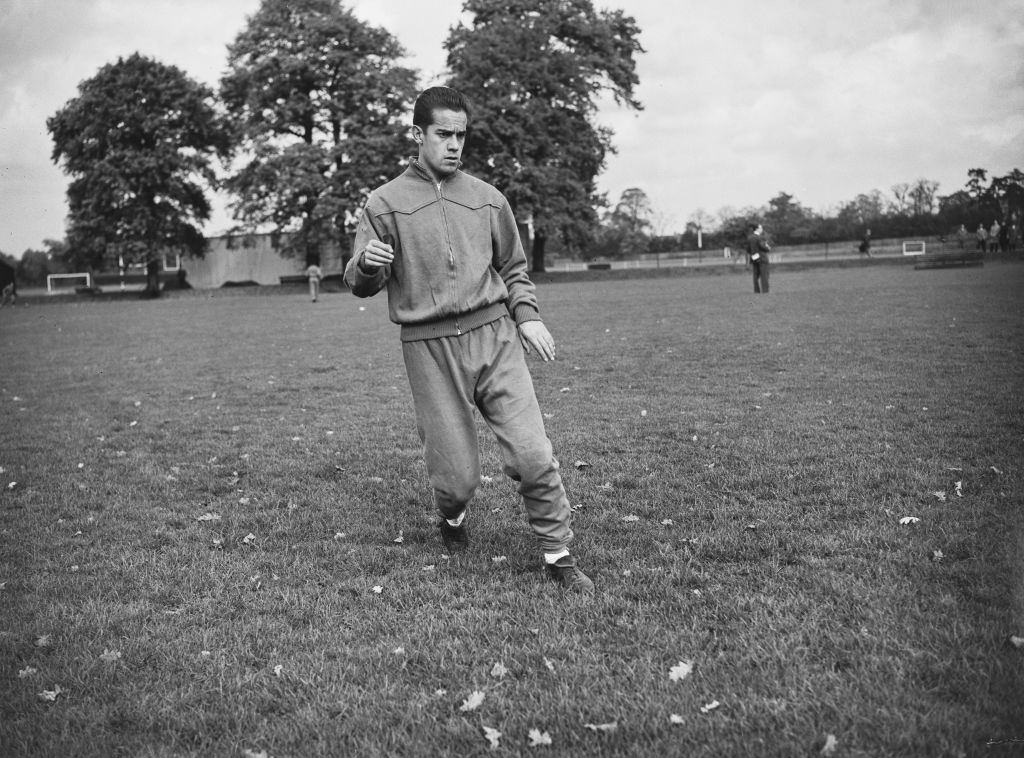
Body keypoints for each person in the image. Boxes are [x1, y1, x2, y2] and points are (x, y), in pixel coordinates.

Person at [343, 86, 593, 593]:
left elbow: (514, 267)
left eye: (461, 135)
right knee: (457, 479)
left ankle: (559, 554)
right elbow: (359, 281)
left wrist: (527, 317)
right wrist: (366, 265)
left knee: (532, 454)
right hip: (429, 347)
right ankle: (452, 518)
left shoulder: (486, 198)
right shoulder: (384, 204)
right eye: (443, 134)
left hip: (494, 336)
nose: (455, 145)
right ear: (418, 134)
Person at [745, 223, 770, 293]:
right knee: (764, 275)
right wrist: (768, 248)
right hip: (762, 258)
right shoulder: (760, 238)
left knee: (755, 276)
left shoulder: (749, 238)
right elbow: (763, 247)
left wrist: (747, 263)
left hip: (754, 258)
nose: (762, 229)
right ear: (757, 229)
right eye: (761, 228)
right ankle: (765, 291)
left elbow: (748, 250)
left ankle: (756, 290)